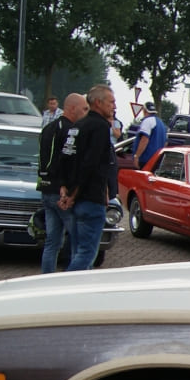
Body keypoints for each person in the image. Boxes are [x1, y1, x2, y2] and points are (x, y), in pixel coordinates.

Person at [61, 84, 120, 271]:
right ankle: (64, 289)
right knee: (87, 254)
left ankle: (78, 295)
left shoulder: (77, 125)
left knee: (76, 251)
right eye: (111, 102)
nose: (114, 106)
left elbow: (66, 160)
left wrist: (66, 190)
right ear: (98, 102)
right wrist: (74, 193)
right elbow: (91, 164)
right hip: (90, 198)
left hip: (77, 201)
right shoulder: (100, 127)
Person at [38, 93, 89, 274]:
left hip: (45, 188)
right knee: (77, 241)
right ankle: (74, 282)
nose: (86, 113)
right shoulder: (71, 130)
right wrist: (68, 187)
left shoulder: (48, 128)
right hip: (61, 192)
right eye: (84, 109)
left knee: (52, 242)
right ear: (72, 108)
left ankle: (46, 279)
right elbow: (68, 161)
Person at [132, 102, 168, 170]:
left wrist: (136, 156)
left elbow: (144, 140)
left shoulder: (147, 121)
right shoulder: (161, 123)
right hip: (157, 159)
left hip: (146, 159)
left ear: (144, 111)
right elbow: (165, 143)